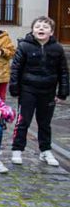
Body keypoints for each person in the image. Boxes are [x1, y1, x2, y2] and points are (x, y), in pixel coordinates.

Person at [10, 16, 69, 167]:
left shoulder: (57, 49)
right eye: (38, 26)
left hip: (48, 91)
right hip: (28, 89)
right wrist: (15, 88)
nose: (41, 29)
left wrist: (62, 92)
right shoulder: (24, 46)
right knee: (23, 121)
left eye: (45, 27)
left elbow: (63, 71)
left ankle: (45, 150)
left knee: (45, 123)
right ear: (33, 30)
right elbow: (16, 68)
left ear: (51, 32)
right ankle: (17, 149)